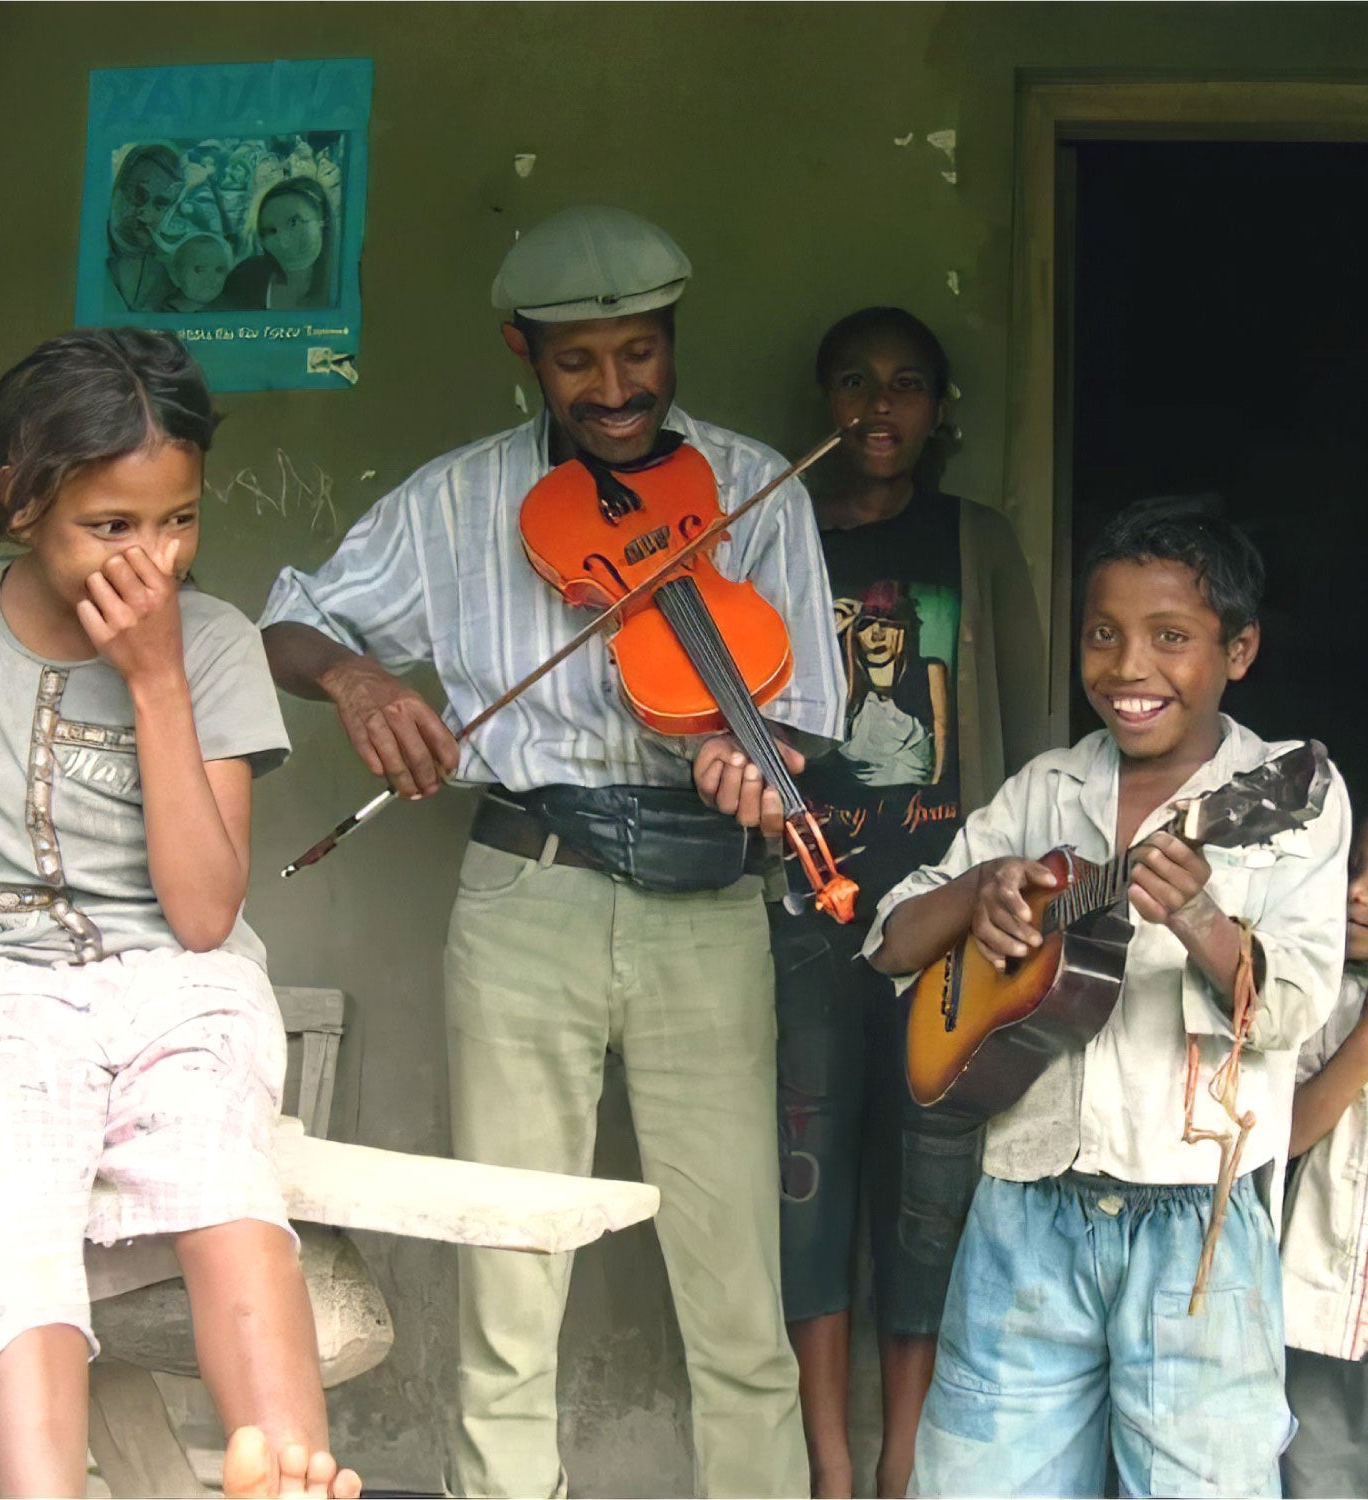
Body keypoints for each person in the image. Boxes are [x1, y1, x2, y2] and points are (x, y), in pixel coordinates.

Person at [259, 204, 843, 1498]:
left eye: (640, 353)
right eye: (580, 360)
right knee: (509, 1290)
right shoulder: (463, 495)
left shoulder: (753, 485)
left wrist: (760, 765)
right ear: (527, 352)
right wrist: (357, 682)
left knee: (738, 1293)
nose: (616, 388)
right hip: (531, 891)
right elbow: (284, 624)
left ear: (671, 340)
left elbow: (805, 723)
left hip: (708, 905)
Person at [0, 328, 360, 1500]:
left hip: (181, 972)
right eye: (113, 528)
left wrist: (159, 676)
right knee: (13, 1157)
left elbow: (207, 911)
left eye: (179, 522)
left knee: (212, 1129)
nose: (154, 562)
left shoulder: (209, 641)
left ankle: (286, 1466)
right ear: (19, 501)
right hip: (3, 982)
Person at [866, 495, 1350, 1497]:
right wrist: (982, 891)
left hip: (1197, 1227)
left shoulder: (1285, 794)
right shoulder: (1045, 788)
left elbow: (1295, 1017)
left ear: (1241, 650)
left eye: (1171, 637)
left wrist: (1206, 924)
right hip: (1026, 1206)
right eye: (1104, 634)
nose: (1129, 668)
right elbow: (889, 940)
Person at [771, 306, 1044, 1497]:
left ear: (940, 410)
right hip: (802, 915)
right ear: (822, 401)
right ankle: (830, 1462)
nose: (878, 407)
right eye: (853, 382)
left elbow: (1031, 752)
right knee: (812, 1177)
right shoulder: (774, 540)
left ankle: (902, 1465)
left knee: (931, 1186)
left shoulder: (975, 543)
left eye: (907, 385)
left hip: (946, 920)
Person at [1281, 803, 1368, 1497]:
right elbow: (1285, 1135)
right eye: (1353, 868)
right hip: (1316, 1321)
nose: (1355, 890)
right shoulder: (1318, 1003)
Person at [222, 177, 336, 312]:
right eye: (271, 231)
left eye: (293, 223)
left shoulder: (347, 283)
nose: (284, 242)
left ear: (323, 219)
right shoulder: (245, 279)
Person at [106, 143, 183, 313]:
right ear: (117, 190)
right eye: (139, 195)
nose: (145, 211)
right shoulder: (83, 253)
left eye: (160, 204)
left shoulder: (170, 279)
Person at [162, 231, 236, 312]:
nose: (210, 278)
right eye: (199, 269)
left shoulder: (230, 311)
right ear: (175, 275)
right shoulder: (161, 313)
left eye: (219, 269)